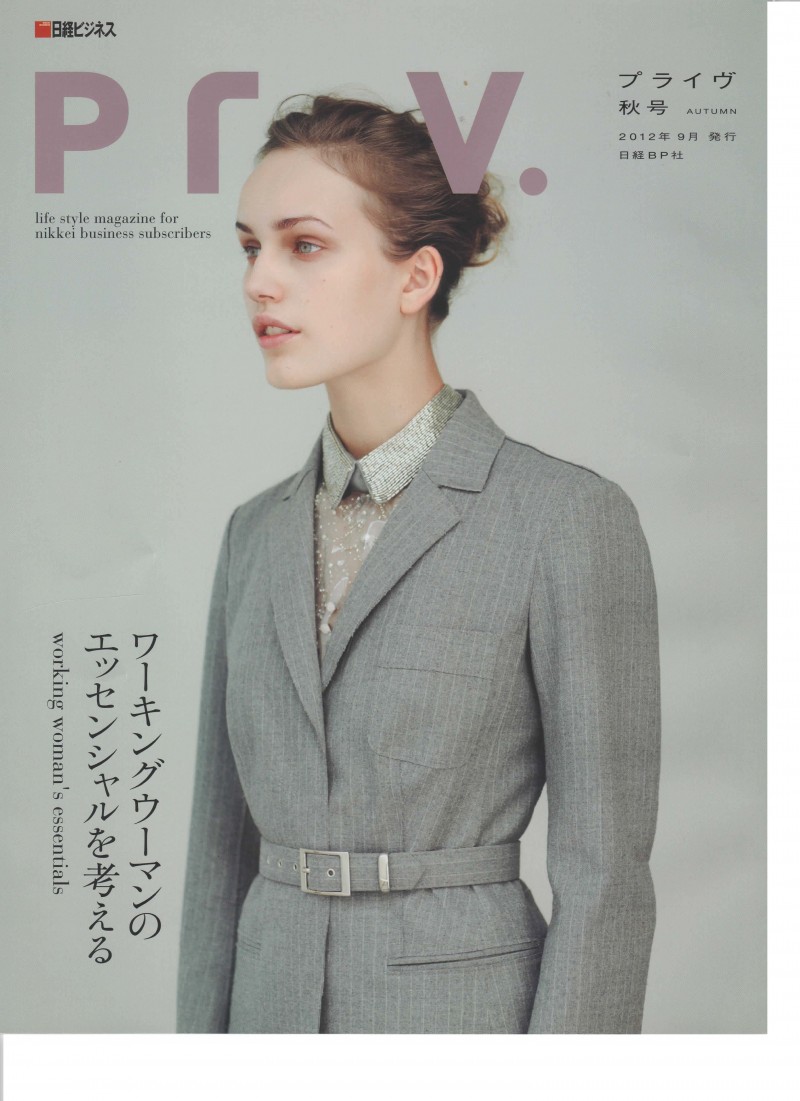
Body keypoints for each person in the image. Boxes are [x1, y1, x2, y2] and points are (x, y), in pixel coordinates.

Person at [176, 93, 661, 1034]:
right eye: (249, 248)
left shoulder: (563, 519)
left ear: (417, 275)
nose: (260, 281)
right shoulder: (253, 535)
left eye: (303, 245)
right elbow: (216, 854)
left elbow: (606, 878)